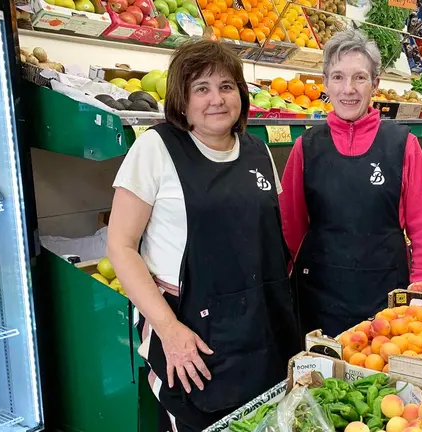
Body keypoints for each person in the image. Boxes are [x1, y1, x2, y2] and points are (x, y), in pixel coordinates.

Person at [107, 39, 299, 432]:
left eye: (227, 86)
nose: (217, 99)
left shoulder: (258, 151)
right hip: (192, 336)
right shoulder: (155, 149)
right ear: (181, 99)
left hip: (262, 331)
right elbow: (121, 247)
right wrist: (169, 329)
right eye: (202, 88)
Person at [280, 29, 422, 337]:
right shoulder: (307, 146)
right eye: (338, 77)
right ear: (325, 83)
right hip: (319, 296)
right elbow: (291, 227)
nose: (348, 89)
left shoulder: (402, 145)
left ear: (375, 85)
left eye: (360, 78)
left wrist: (420, 293)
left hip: (386, 296)